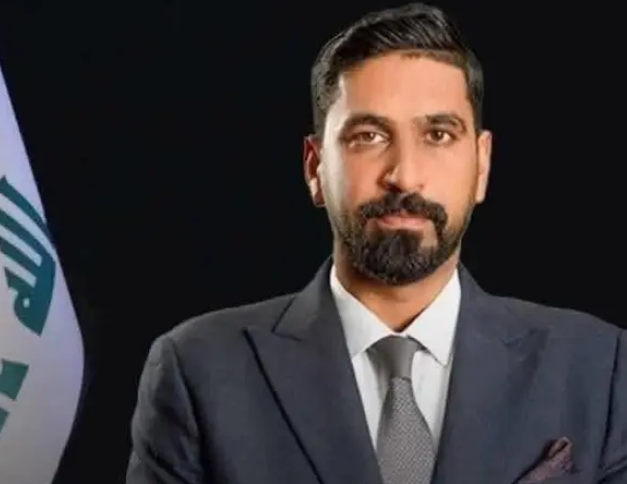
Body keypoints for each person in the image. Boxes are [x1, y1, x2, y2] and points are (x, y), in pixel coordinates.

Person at [125, 3, 627, 484]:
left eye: (438, 134)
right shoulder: (197, 371)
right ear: (315, 168)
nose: (404, 175)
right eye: (368, 136)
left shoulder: (601, 369)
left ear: (482, 164)